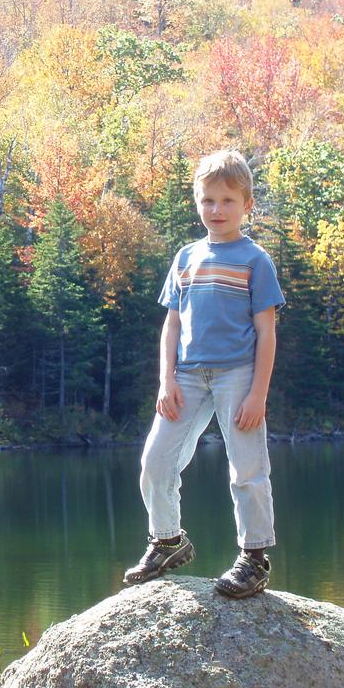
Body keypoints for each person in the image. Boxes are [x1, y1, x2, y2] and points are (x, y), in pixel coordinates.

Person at [124, 149, 285, 599]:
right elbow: (172, 324)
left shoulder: (256, 261)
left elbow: (266, 332)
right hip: (188, 376)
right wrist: (166, 379)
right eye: (208, 200)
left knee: (246, 468)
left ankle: (254, 557)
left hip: (238, 374)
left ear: (246, 205)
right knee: (155, 462)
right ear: (197, 203)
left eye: (228, 201)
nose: (217, 210)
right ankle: (167, 541)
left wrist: (258, 394)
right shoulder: (186, 257)